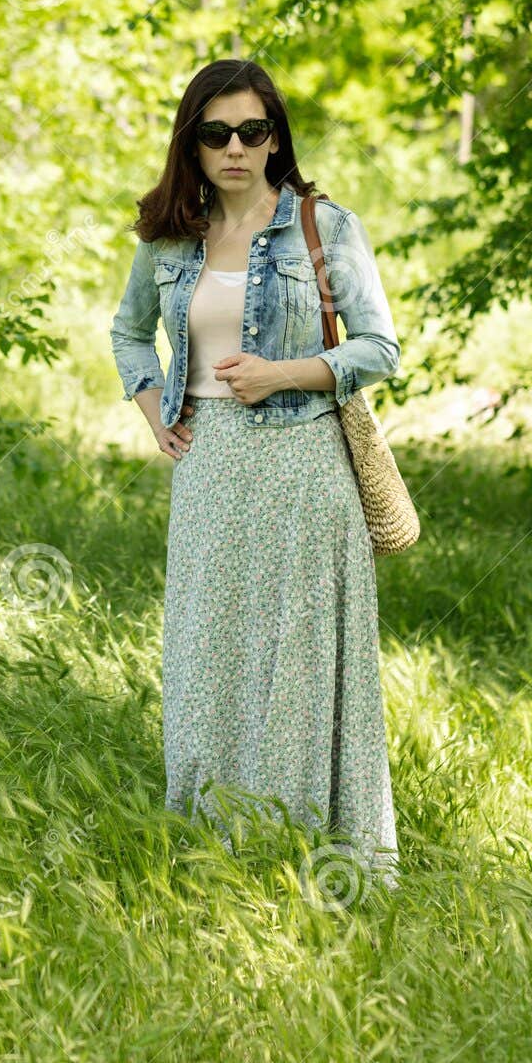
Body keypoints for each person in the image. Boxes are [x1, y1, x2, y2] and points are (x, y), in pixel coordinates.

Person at [110, 58, 401, 889]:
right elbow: (129, 334)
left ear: (275, 137)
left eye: (253, 131)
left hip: (305, 467)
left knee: (301, 656)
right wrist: (151, 407)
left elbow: (378, 347)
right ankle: (213, 846)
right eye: (216, 133)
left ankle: (310, 843)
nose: (235, 147)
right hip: (207, 471)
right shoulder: (170, 238)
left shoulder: (325, 227)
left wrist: (285, 373)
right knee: (209, 652)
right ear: (192, 144)